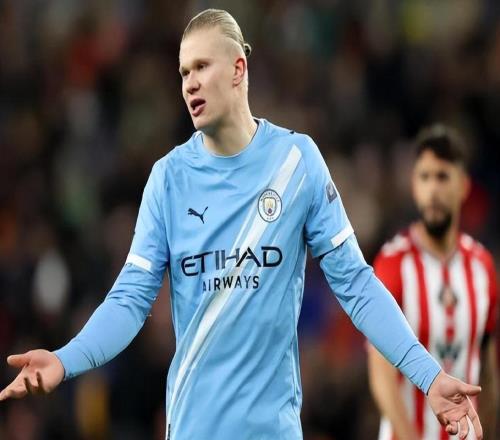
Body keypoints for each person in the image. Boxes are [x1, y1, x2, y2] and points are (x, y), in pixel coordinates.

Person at [0, 9, 485, 440]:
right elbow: (129, 300)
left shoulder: (296, 163)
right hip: (192, 430)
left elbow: (356, 285)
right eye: (183, 72)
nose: (189, 83)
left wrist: (428, 377)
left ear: (238, 69)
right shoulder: (168, 179)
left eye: (201, 67)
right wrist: (64, 360)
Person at [367, 125, 498, 440]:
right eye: (424, 177)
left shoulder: (482, 267)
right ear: (414, 186)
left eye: (442, 177)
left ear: (463, 186)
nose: (433, 189)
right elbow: (381, 375)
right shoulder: (393, 263)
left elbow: (487, 368)